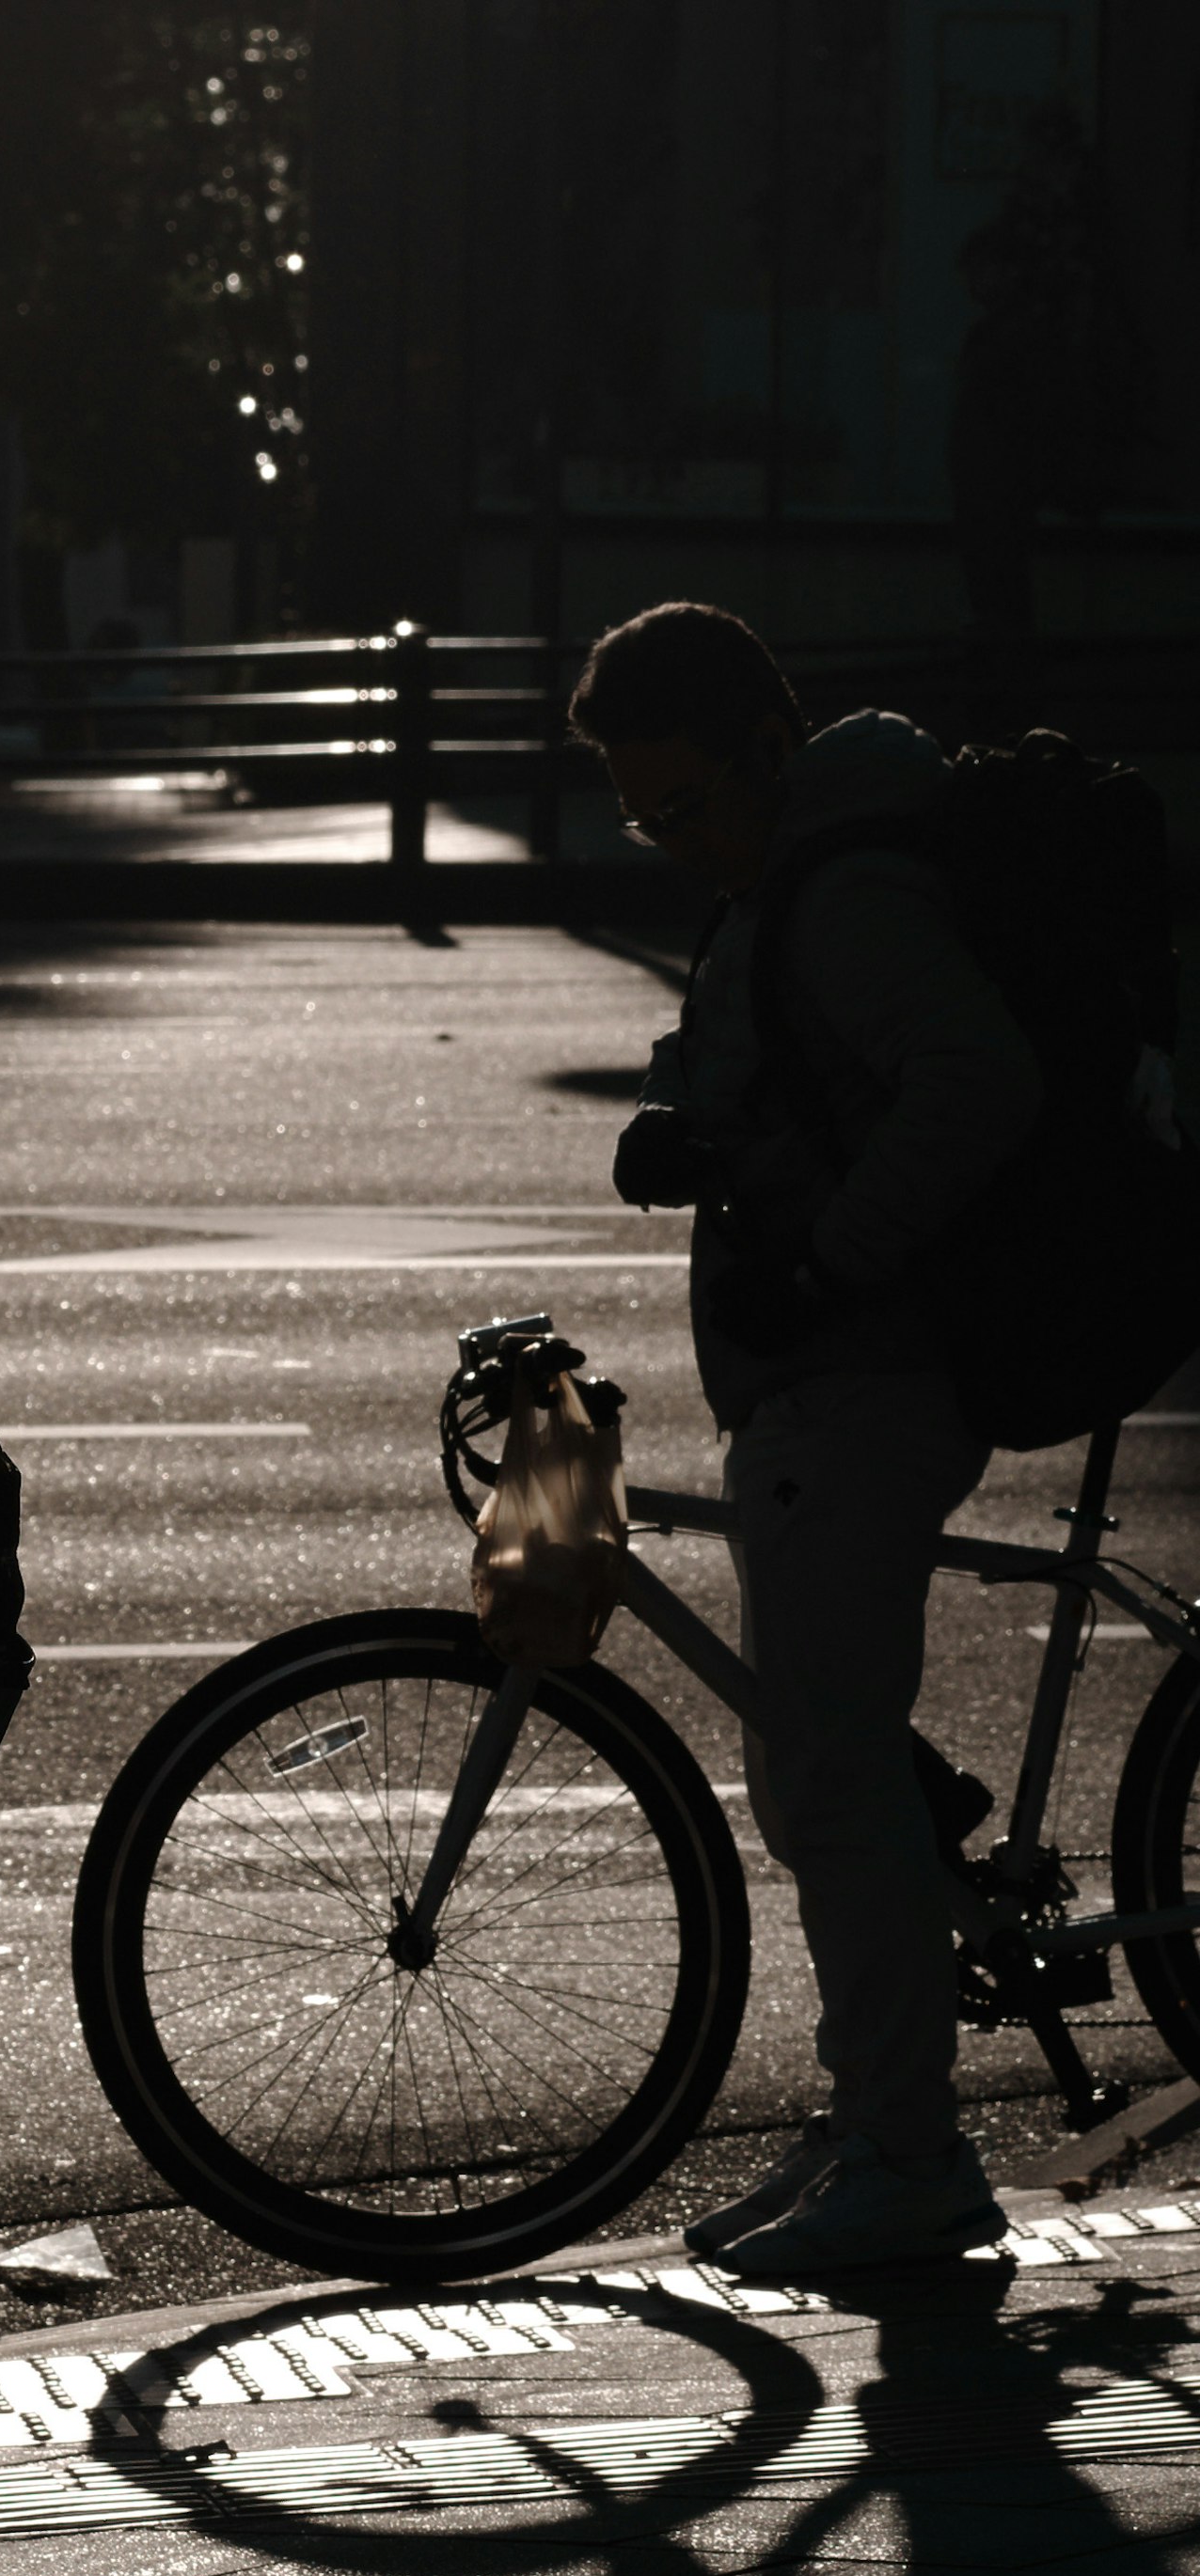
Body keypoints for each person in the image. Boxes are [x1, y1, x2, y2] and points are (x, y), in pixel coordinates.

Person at [581, 596, 1042, 2279]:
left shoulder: (844, 895)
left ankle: (910, 2162)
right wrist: (695, 1131)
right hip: (825, 1386)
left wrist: (828, 1256)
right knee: (824, 1774)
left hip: (863, 1382)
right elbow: (812, 1088)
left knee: (834, 1783)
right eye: (644, 819)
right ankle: (873, 2128)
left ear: (771, 750)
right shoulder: (791, 885)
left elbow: (972, 1083)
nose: (674, 846)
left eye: (688, 805)